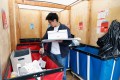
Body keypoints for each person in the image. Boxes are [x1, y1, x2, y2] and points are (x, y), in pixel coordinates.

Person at [40, 13, 72, 80]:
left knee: (62, 72)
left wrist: (62, 41)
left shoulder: (65, 28)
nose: (49, 24)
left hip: (61, 54)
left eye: (50, 22)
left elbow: (69, 41)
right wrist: (42, 46)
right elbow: (43, 39)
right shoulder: (49, 29)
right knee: (54, 71)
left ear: (55, 20)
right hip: (51, 53)